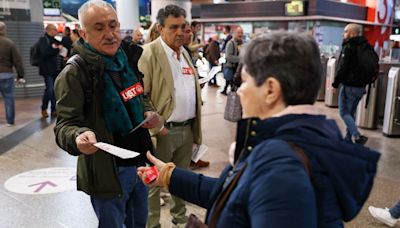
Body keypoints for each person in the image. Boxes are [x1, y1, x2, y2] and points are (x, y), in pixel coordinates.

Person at [138, 31, 380, 227]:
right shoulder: (299, 137)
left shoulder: (280, 162)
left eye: (245, 81)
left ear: (271, 90)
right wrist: (169, 176)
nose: (240, 91)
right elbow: (234, 192)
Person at [54, 1, 160, 227]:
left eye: (113, 26)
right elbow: (64, 125)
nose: (110, 34)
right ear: (83, 33)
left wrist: (148, 111)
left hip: (140, 162)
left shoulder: (127, 59)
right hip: (108, 170)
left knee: (139, 223)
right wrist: (78, 136)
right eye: (99, 28)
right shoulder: (75, 72)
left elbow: (139, 96)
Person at [138, 5, 203, 228]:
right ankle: (152, 223)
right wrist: (158, 127)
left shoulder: (184, 53)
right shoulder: (149, 53)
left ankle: (180, 215)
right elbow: (141, 96)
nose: (180, 32)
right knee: (155, 181)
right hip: (164, 131)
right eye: (173, 27)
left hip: (187, 129)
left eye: (182, 27)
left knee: (181, 178)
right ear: (160, 28)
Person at [332, 23, 368, 145]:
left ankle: (357, 136)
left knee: (343, 112)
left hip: (349, 86)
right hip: (361, 87)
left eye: (346, 31)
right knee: (350, 113)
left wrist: (335, 84)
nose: (344, 33)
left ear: (352, 33)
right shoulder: (366, 46)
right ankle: (348, 139)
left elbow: (343, 67)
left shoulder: (349, 46)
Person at [0, 21, 24, 126]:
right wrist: (20, 75)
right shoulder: (9, 43)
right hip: (6, 74)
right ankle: (10, 121)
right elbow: (17, 61)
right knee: (8, 98)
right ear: (4, 30)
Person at [38, 24, 63, 118]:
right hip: (47, 70)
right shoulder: (43, 40)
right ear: (49, 30)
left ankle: (53, 109)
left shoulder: (54, 40)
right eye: (55, 29)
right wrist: (56, 50)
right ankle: (44, 108)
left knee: (54, 90)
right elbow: (45, 52)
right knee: (50, 89)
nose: (56, 31)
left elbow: (62, 45)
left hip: (56, 70)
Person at [221, 26, 243, 95]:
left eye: (242, 33)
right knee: (234, 89)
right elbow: (229, 57)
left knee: (236, 89)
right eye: (238, 32)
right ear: (234, 33)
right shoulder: (230, 43)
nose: (240, 34)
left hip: (238, 70)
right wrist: (241, 58)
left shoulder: (241, 43)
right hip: (231, 69)